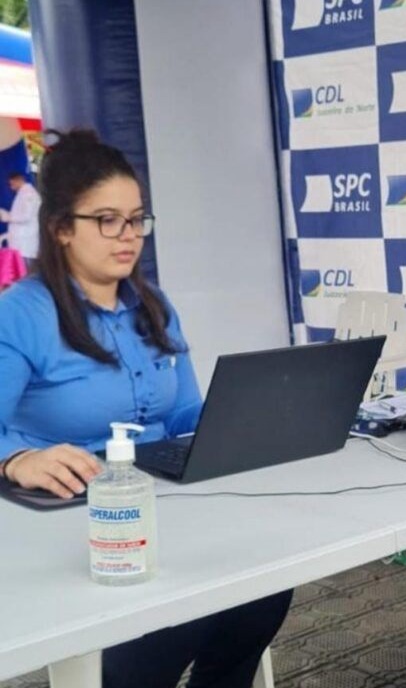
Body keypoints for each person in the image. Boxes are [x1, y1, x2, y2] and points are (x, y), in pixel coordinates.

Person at [0, 129, 292, 688]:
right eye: (107, 220)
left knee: (268, 585)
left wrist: (244, 425)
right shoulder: (21, 314)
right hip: (83, 522)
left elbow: (184, 414)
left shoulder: (153, 305)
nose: (127, 235)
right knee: (170, 622)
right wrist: (16, 459)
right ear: (61, 228)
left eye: (136, 219)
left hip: (172, 502)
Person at [0, 171, 41, 270]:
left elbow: (26, 216)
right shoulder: (22, 194)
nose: (11, 187)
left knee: (25, 273)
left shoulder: (29, 194)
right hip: (19, 242)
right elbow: (18, 216)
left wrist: (8, 217)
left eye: (11, 183)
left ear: (18, 180)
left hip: (25, 244)